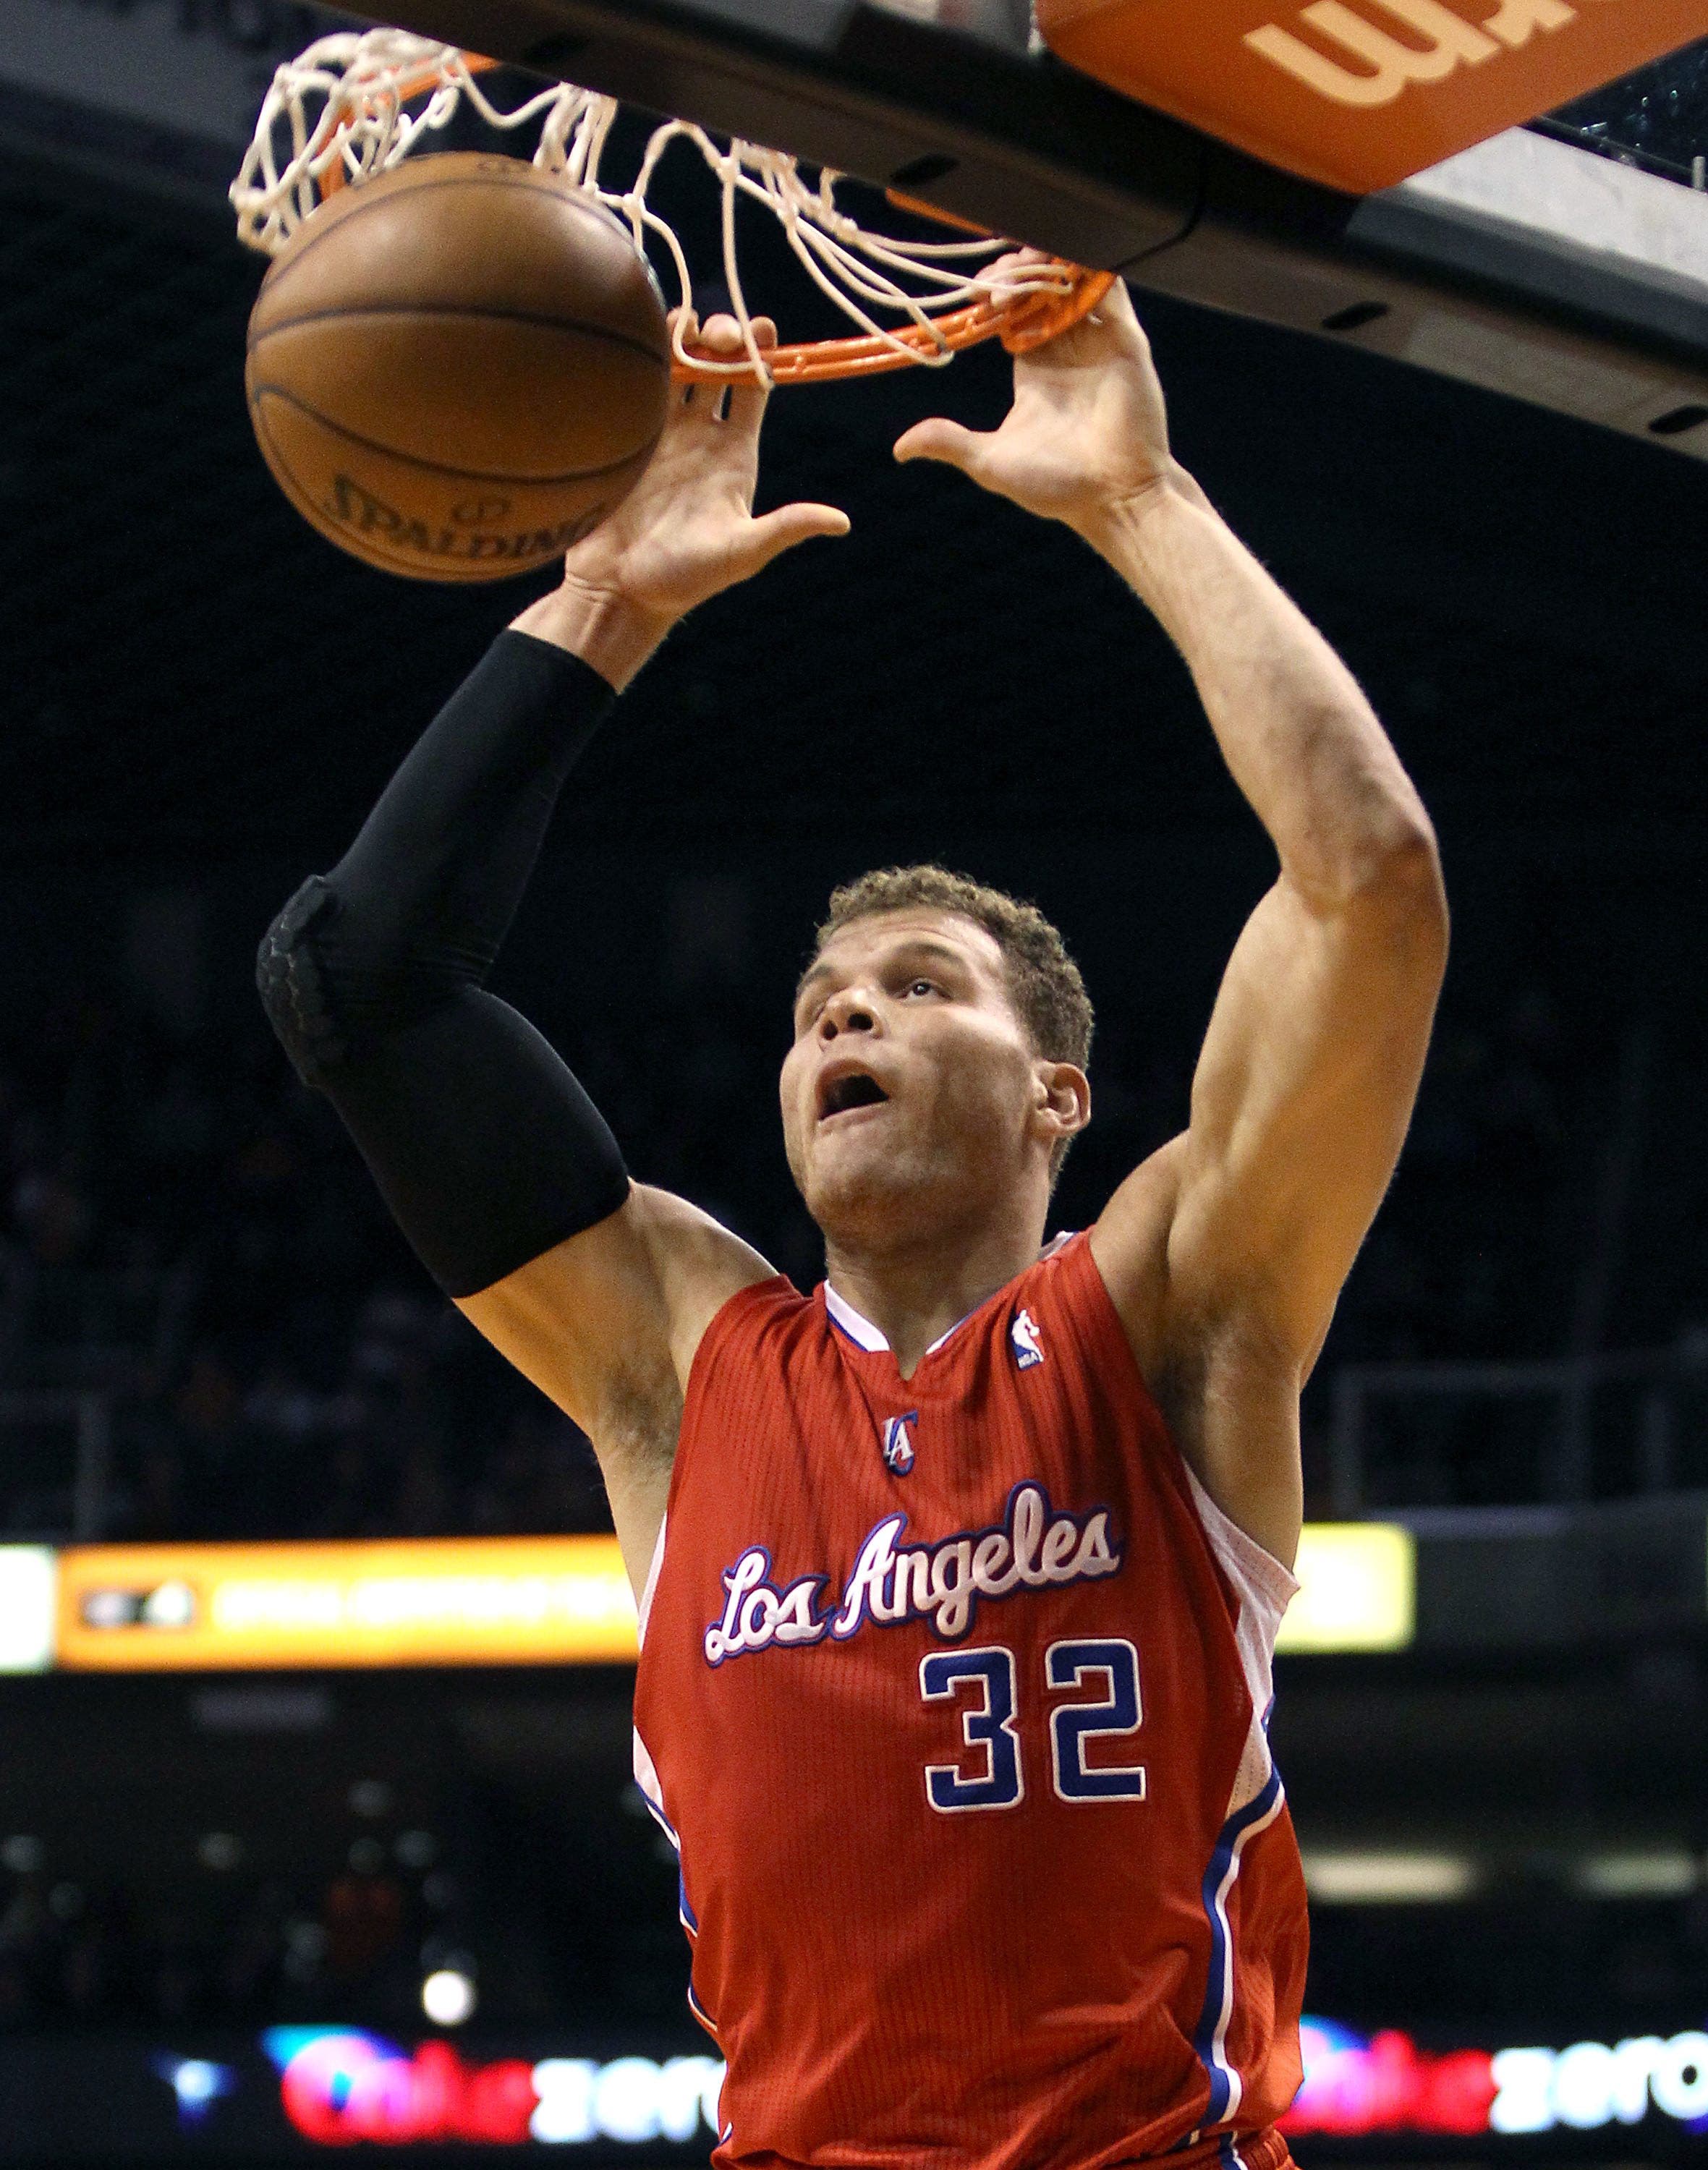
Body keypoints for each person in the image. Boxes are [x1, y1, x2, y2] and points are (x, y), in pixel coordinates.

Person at [259, 274, 1448, 2170]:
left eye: (917, 987)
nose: (845, 1019)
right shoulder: (682, 1364)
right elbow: (357, 984)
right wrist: (610, 601)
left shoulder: (1167, 1316)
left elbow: (1369, 880)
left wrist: (1139, 501)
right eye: (821, 1003)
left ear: (1057, 1093)